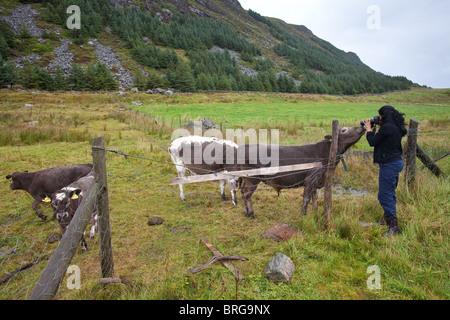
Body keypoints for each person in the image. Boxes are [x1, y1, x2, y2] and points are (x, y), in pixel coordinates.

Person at [363, 105, 408, 236]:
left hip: (389, 164)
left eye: (380, 115)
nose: (379, 118)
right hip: (395, 162)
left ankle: (394, 228)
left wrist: (369, 129)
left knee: (384, 195)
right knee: (389, 192)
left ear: (385, 116)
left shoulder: (387, 128)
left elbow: (372, 141)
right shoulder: (396, 127)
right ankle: (388, 221)